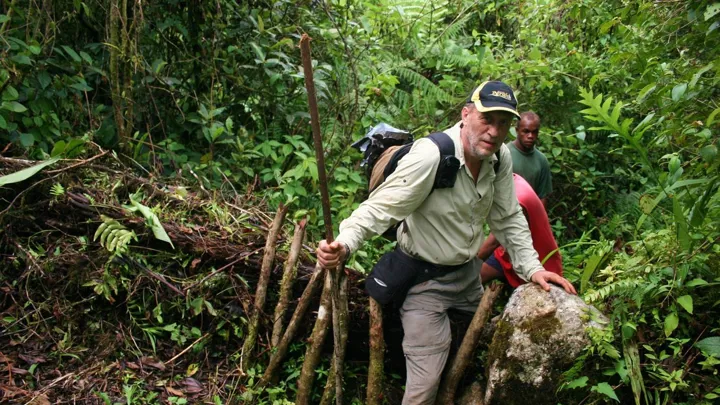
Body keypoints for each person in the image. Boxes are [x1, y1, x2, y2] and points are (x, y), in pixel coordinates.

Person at [317, 81, 576, 405]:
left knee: (468, 347)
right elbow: (379, 209)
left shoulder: (498, 159)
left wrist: (534, 269)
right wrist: (343, 245)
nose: (494, 132)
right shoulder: (431, 156)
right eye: (487, 119)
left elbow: (508, 218)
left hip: (467, 274)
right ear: (465, 114)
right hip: (424, 280)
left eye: (502, 123)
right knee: (424, 384)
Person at [478, 173, 563, 287]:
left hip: (532, 255)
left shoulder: (516, 199)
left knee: (473, 277)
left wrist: (465, 267)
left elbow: (493, 242)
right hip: (507, 251)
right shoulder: (513, 179)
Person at [508, 111, 552, 206]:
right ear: (517, 130)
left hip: (530, 215)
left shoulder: (541, 160)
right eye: (526, 131)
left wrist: (538, 219)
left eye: (534, 132)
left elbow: (542, 196)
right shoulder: (504, 154)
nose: (530, 136)